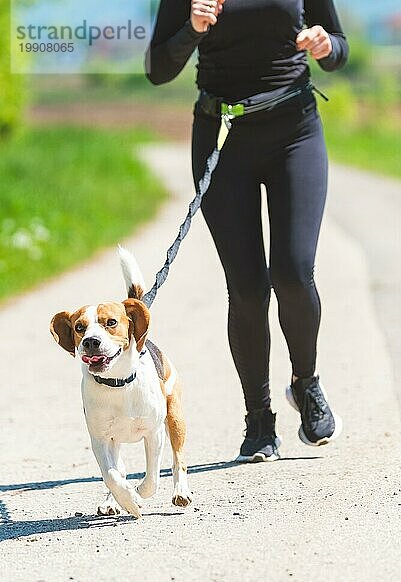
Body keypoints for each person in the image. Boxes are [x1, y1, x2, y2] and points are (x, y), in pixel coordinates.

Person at [146, 0, 348, 462]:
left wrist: (325, 44)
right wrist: (192, 30)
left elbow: (339, 48)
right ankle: (259, 419)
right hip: (221, 131)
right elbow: (158, 69)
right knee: (248, 286)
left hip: (294, 130)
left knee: (294, 273)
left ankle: (306, 383)